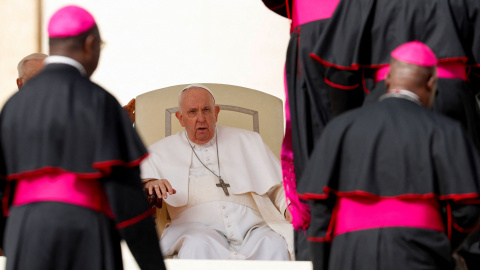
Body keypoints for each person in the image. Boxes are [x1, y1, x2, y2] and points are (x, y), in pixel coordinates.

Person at [0, 5, 165, 270]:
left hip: (25, 234)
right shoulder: (99, 101)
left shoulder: (12, 106)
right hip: (84, 231)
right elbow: (126, 199)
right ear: (90, 44)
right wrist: (153, 265)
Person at [297, 42, 480, 270]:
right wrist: (442, 246)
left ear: (387, 81)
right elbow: (468, 209)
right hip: (419, 250)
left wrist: (325, 263)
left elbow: (321, 211)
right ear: (431, 83)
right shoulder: (446, 130)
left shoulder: (340, 128)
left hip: (351, 252)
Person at [140, 84, 294, 260]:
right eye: (192, 112)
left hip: (254, 228)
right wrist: (150, 183)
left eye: (206, 110)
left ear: (216, 113)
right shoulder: (159, 152)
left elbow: (280, 187)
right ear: (180, 118)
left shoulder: (249, 141)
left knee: (273, 242)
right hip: (195, 229)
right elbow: (134, 187)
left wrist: (289, 208)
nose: (201, 118)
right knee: (198, 245)